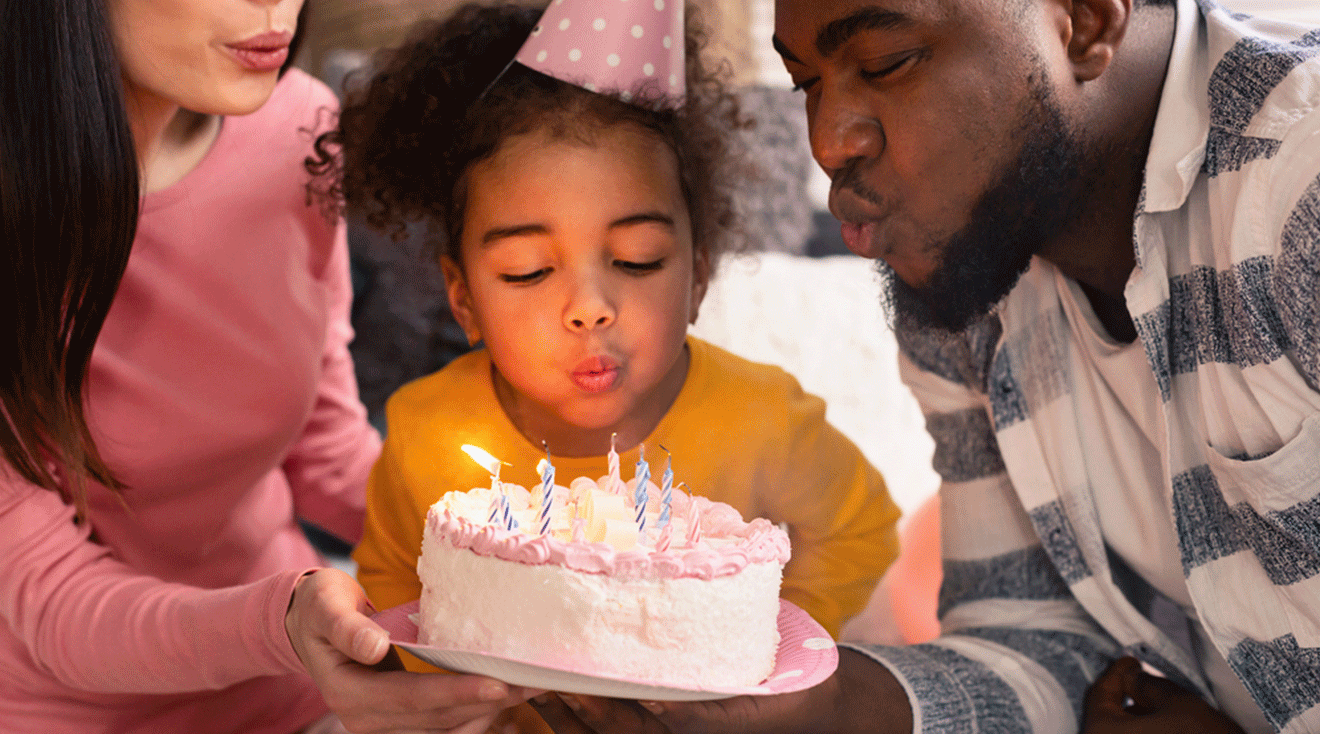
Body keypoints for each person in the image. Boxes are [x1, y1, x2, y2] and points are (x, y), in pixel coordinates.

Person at [521, 0, 1320, 732]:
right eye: (806, 84)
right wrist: (808, 703)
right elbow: (1035, 642)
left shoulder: (1298, 187)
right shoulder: (966, 268)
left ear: (1083, 18)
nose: (830, 141)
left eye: (886, 62)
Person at [310, 1, 902, 729]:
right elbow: (399, 585)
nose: (588, 308)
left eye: (636, 260)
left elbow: (861, 528)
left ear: (699, 276)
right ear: (462, 298)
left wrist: (765, 638)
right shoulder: (426, 430)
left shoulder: (764, 417)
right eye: (528, 270)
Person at [0, 1, 537, 732]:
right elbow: (51, 601)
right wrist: (283, 621)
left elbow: (324, 446)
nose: (277, 4)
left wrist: (528, 543)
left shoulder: (299, 128)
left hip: (300, 684)